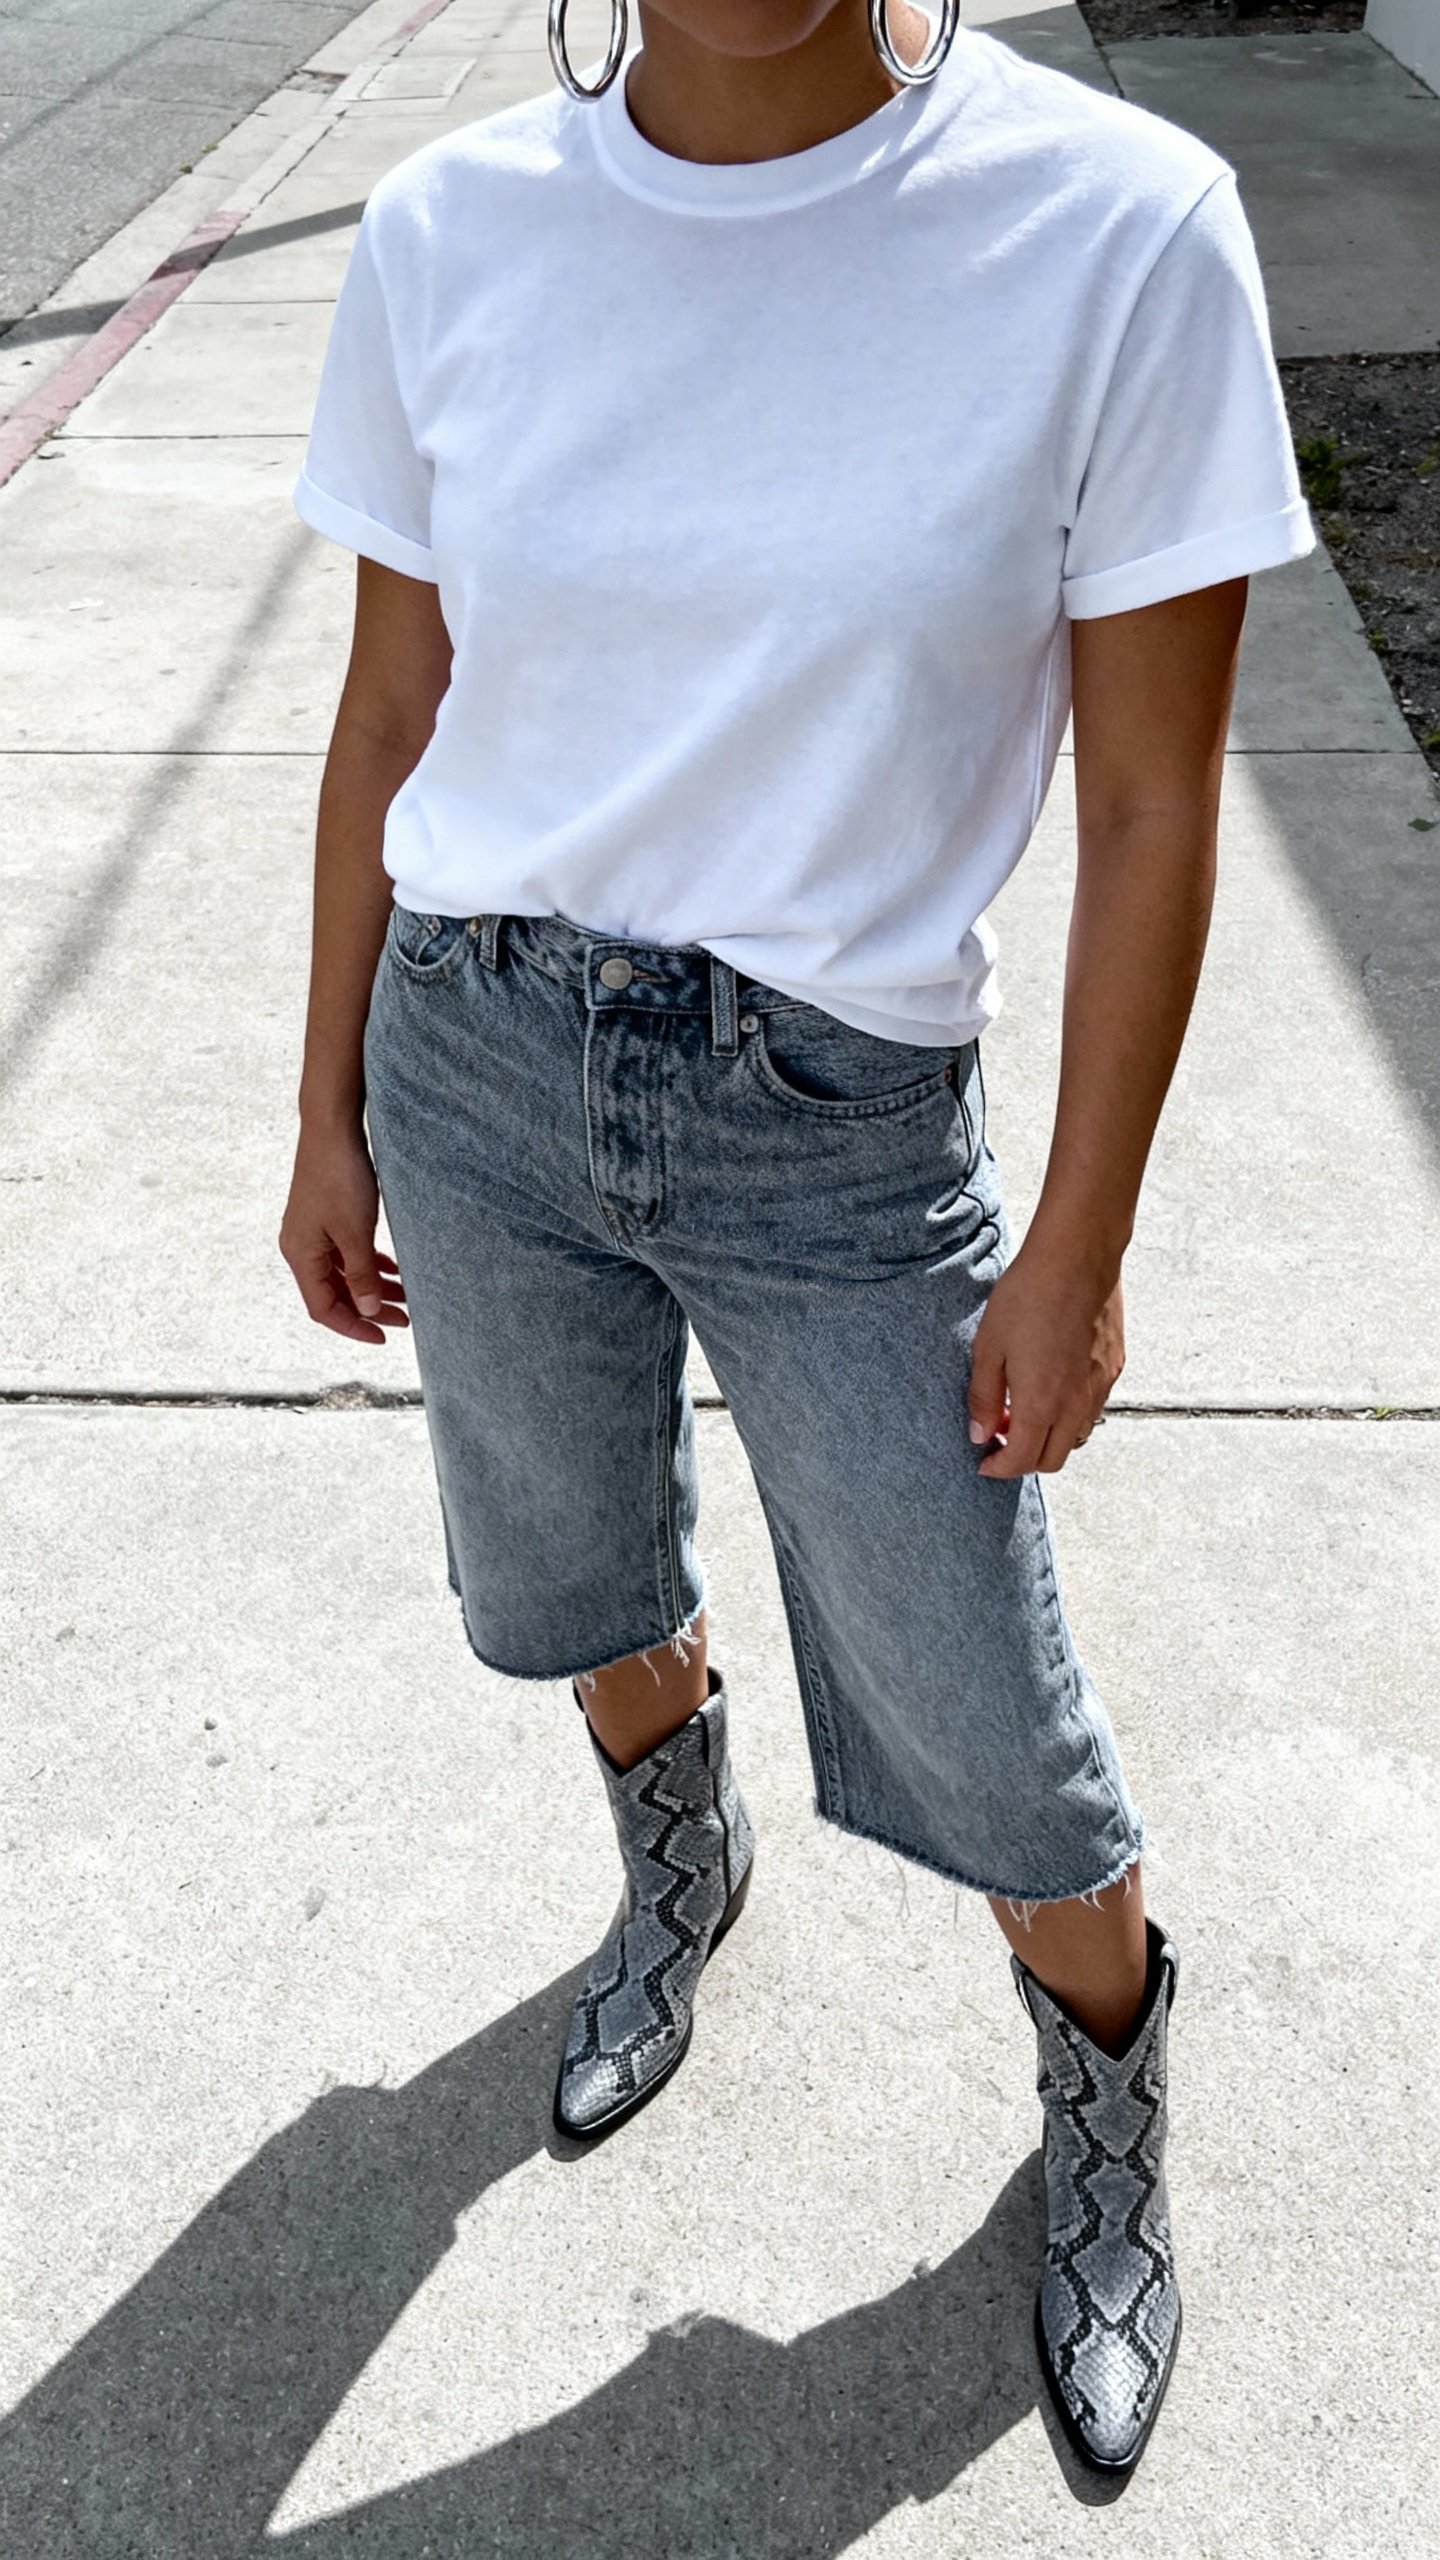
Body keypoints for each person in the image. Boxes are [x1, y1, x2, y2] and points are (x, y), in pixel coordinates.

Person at [280, 0, 1314, 2480]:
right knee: (566, 1559)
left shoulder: (1117, 231)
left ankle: (1105, 2076)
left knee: (981, 1693)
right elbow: (393, 706)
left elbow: (1154, 801)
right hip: (476, 1052)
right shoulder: (450, 232)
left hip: (833, 1121)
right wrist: (324, 1104)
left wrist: (1077, 1239)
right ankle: (681, 1857)